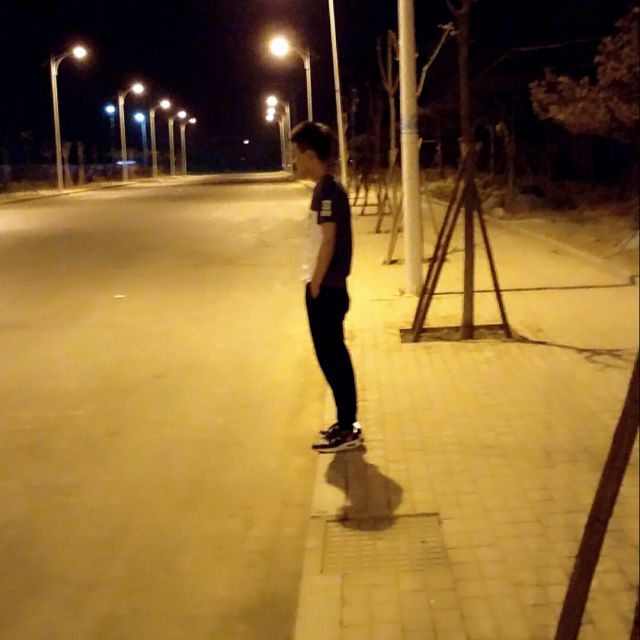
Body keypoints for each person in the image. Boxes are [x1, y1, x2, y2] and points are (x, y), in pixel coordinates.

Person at [290, 121, 363, 453]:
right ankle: (345, 421)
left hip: (327, 288)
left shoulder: (328, 191)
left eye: (296, 154)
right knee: (332, 356)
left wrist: (316, 283)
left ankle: (348, 427)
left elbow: (328, 239)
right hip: (327, 286)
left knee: (333, 357)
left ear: (310, 155)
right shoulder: (326, 188)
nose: (295, 161)